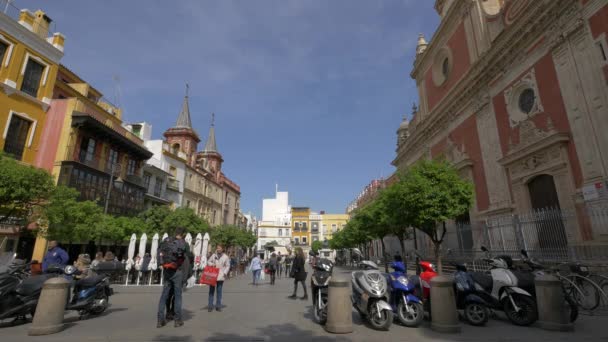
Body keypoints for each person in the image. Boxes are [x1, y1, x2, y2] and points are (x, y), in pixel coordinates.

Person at [157, 227, 189, 328]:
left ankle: (160, 320)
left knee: (164, 296)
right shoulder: (183, 243)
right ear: (182, 234)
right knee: (178, 296)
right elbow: (188, 256)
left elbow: (159, 252)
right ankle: (177, 320)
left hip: (166, 271)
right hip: (177, 271)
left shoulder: (166, 241)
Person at [207, 244, 230, 312]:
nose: (218, 249)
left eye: (219, 248)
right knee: (211, 291)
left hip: (220, 275)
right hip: (213, 275)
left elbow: (228, 266)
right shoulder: (214, 255)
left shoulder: (225, 257)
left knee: (219, 291)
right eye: (217, 248)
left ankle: (218, 306)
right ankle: (210, 306)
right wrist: (212, 264)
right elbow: (208, 261)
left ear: (222, 249)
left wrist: (224, 273)